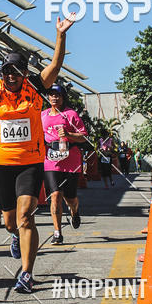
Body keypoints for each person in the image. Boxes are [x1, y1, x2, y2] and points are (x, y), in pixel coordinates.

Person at [0, 13, 76, 294]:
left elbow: (55, 66)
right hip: (0, 164)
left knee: (25, 217)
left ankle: (27, 274)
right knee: (10, 222)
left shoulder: (35, 87)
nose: (10, 76)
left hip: (30, 163)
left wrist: (61, 35)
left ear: (23, 74)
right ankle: (15, 237)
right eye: (6, 72)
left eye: (15, 72)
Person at [41, 84, 87, 244]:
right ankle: (57, 233)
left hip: (70, 161)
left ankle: (74, 212)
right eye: (51, 95)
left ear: (63, 97)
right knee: (55, 196)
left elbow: (83, 137)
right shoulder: (42, 115)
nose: (54, 97)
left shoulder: (71, 114)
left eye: (58, 95)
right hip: (50, 161)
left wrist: (68, 134)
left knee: (70, 198)